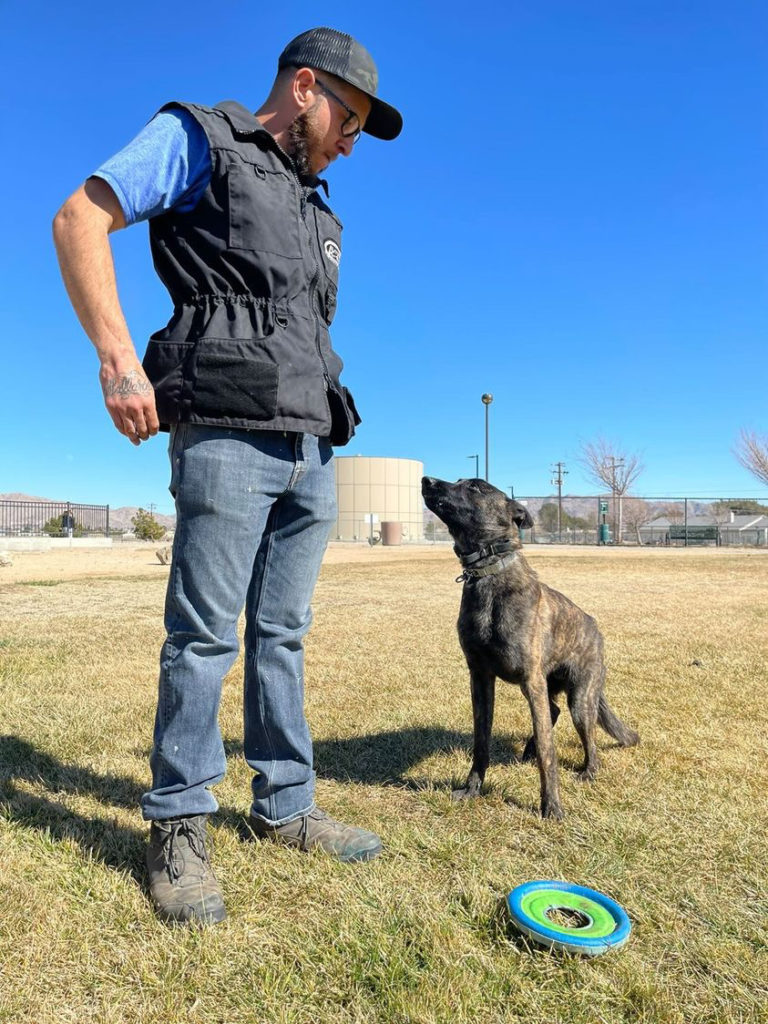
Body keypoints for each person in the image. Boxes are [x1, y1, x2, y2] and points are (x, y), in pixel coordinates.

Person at [53, 27, 402, 925]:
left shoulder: (322, 212)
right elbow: (80, 216)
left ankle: (286, 803)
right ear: (305, 87)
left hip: (310, 443)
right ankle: (177, 822)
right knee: (204, 636)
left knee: (282, 633)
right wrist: (118, 360)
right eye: (349, 122)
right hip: (224, 435)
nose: (350, 144)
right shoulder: (200, 139)